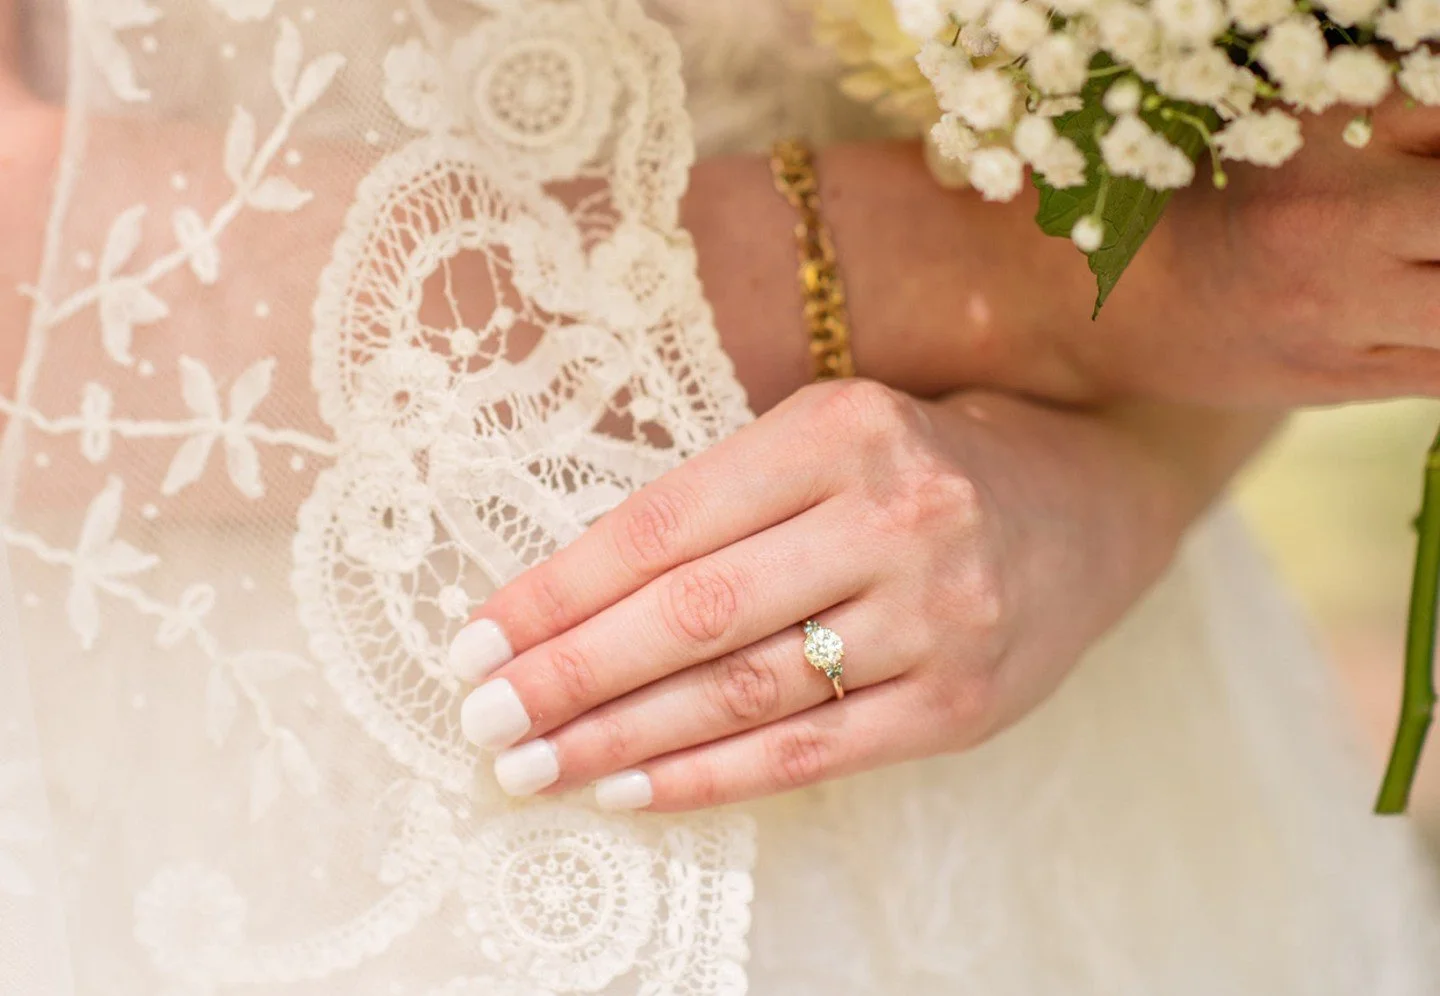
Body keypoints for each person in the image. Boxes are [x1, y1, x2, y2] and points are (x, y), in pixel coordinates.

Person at [0, 1, 1436, 993]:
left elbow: (1291, 216)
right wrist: (1028, 287)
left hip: (1107, 771)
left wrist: (1116, 491)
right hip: (269, 791)